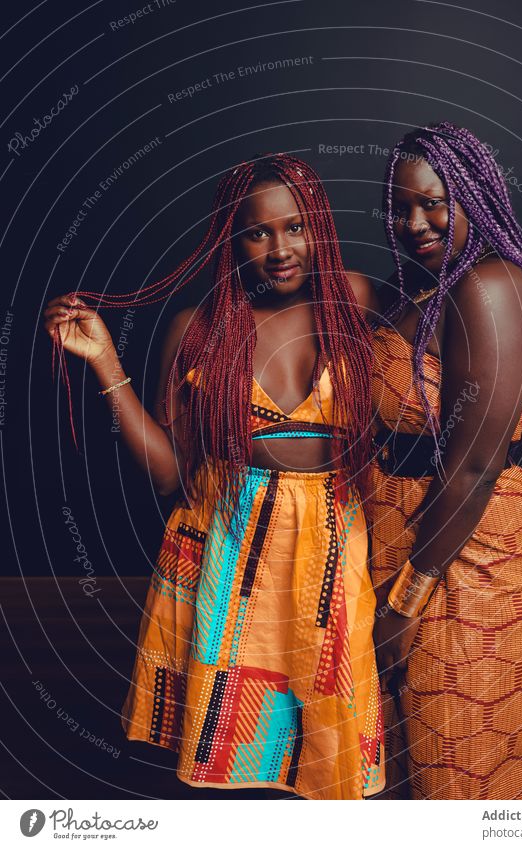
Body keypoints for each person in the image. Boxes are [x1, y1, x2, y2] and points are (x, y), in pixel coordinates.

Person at [43, 153, 384, 800]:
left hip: (329, 543)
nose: (280, 248)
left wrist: (513, 403)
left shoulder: (357, 302)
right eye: (259, 232)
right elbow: (173, 473)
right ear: (232, 238)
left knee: (327, 747)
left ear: (319, 228)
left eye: (296, 227)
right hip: (229, 549)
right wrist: (105, 362)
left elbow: (428, 352)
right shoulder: (197, 330)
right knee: (240, 757)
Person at [368, 123, 522, 800]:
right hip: (403, 538)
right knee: (410, 769)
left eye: (434, 201)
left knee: (465, 766)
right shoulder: (419, 292)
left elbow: (476, 465)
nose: (414, 221)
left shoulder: (488, 287)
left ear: (475, 195)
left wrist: (405, 599)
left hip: (464, 557)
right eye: (400, 207)